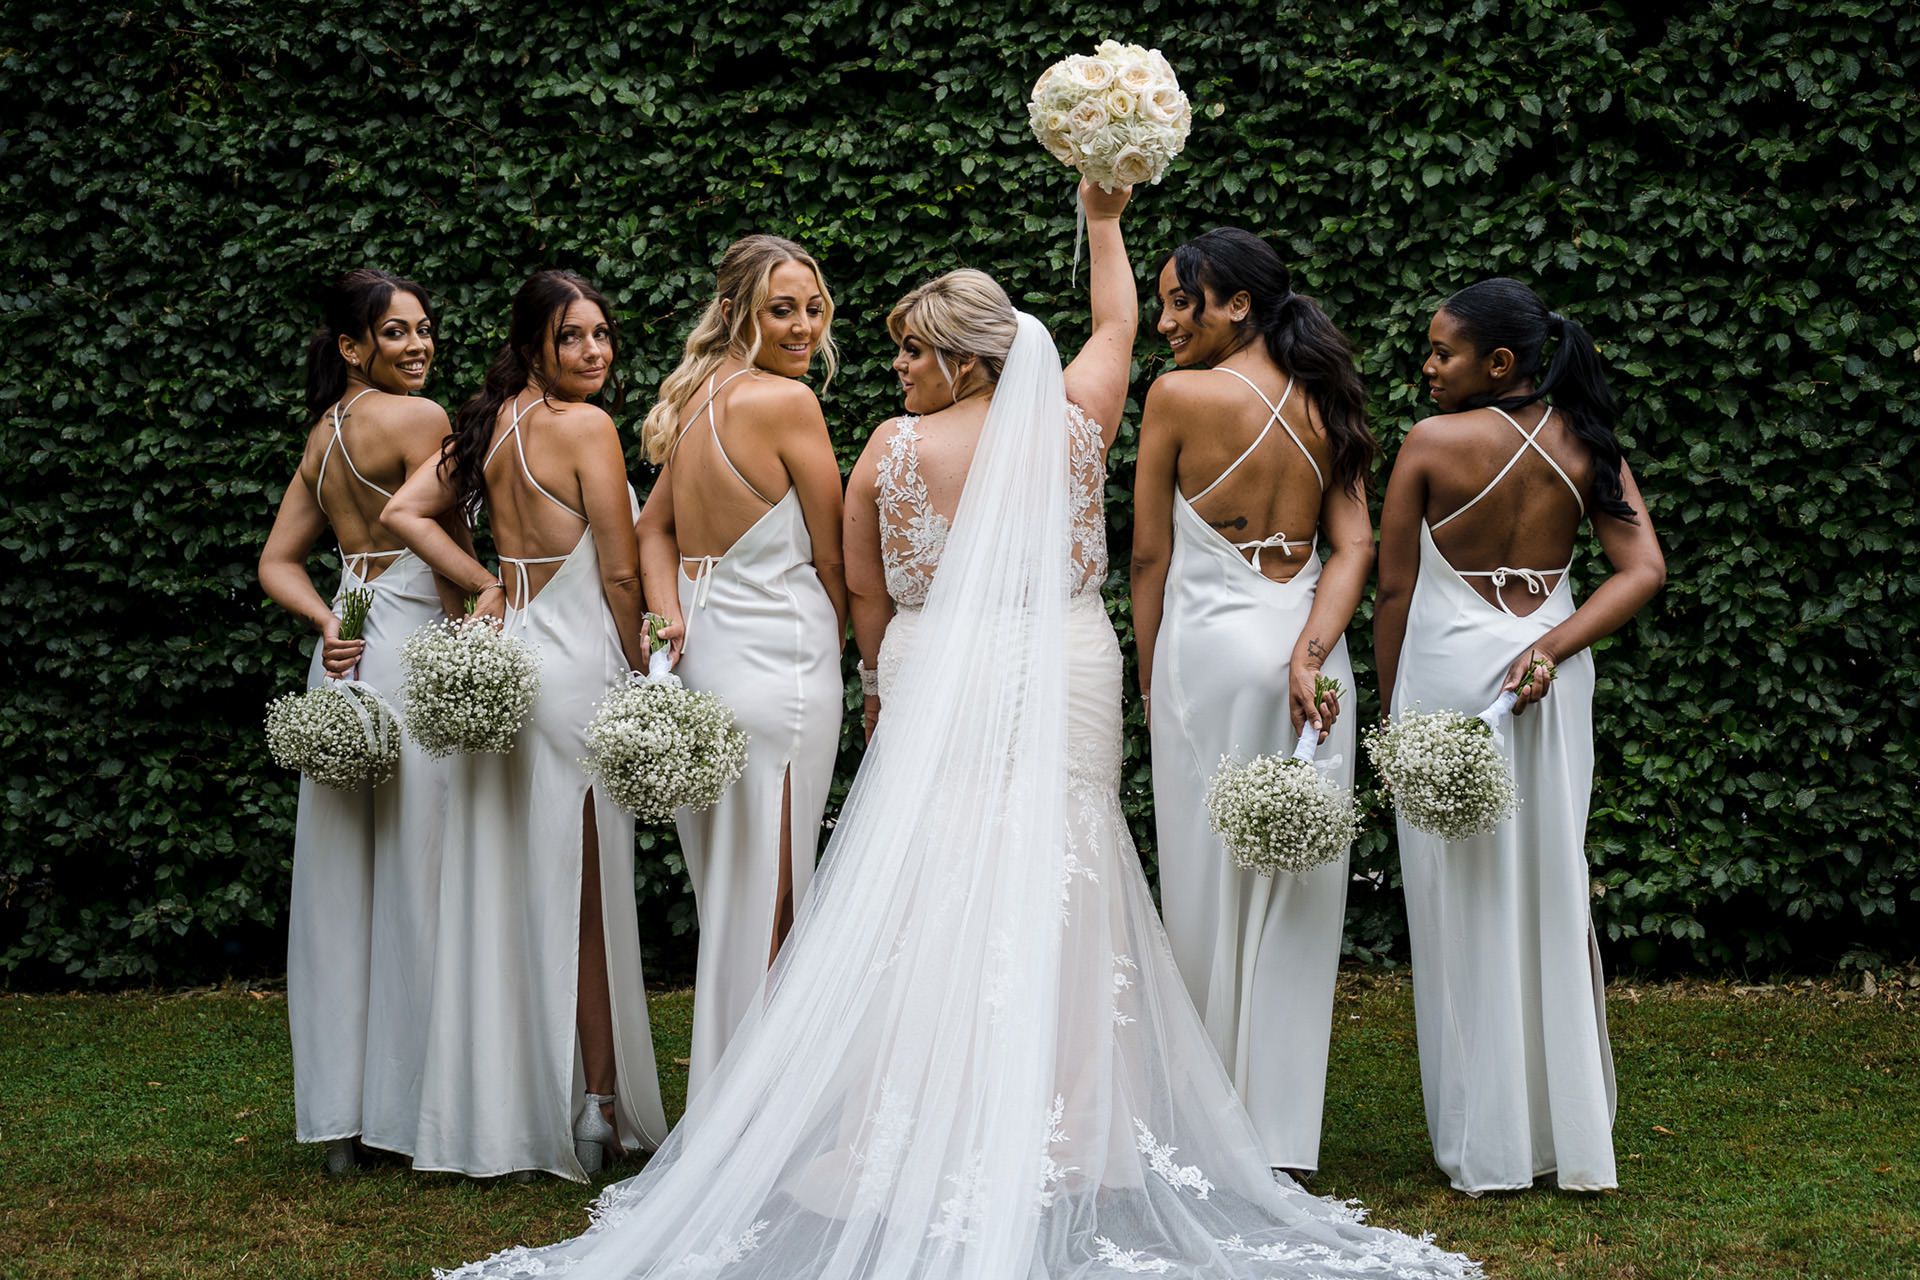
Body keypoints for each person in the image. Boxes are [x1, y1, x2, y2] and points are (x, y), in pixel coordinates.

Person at [438, 187, 1478, 1279]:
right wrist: (1104, 218)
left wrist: (884, 683)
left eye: (913, 352)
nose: (894, 368)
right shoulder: (1076, 423)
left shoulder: (889, 449)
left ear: (969, 361)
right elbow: (1117, 323)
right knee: (1066, 869)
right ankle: (1071, 1122)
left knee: (936, 872)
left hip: (934, 668)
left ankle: (918, 1110)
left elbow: (867, 592)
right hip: (1064, 658)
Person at [1374, 277, 1665, 1194]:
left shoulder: (1430, 444)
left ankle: (1483, 1139)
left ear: (1498, 363)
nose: (1426, 367)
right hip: (1551, 682)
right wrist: (1550, 645)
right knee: (1549, 883)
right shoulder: (1588, 444)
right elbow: (1642, 569)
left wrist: (1392, 714)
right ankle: (1561, 1135)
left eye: (1442, 352)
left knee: (1456, 896)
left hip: (1452, 679)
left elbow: (1393, 592)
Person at [385, 269, 667, 1180]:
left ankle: (499, 1107)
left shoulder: (494, 421)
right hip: (576, 670)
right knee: (584, 896)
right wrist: (647, 672)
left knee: (503, 889)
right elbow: (622, 578)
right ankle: (594, 1107)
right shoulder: (585, 428)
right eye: (572, 337)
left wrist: (485, 584)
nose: (593, 352)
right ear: (534, 343)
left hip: (507, 668)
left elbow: (402, 514)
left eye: (601, 335)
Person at [1130, 228, 1375, 1177]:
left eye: (1178, 302)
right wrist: (1311, 651)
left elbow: (1150, 555)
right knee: (1300, 886)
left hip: (1209, 653)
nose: (1165, 323)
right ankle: (1280, 1132)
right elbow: (1352, 548)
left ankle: (1205, 1117)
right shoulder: (1328, 400)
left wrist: (1149, 678)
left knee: (1204, 878)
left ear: (1234, 304)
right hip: (1307, 660)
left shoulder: (1179, 397)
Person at [635, 235, 847, 1099]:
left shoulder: (693, 397)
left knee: (733, 886)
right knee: (777, 892)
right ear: (736, 313)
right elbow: (835, 557)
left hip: (707, 665)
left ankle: (735, 1097)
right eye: (781, 309)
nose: (803, 326)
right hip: (785, 662)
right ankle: (760, 1113)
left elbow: (653, 533)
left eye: (812, 306)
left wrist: (669, 617)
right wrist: (862, 648)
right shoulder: (787, 404)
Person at [258, 268, 460, 1174]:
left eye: (422, 330)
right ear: (352, 347)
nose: (417, 346)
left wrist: (328, 621)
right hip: (413, 645)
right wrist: (485, 604)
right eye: (395, 334)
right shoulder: (420, 421)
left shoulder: (321, 436)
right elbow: (436, 540)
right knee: (420, 876)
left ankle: (340, 1121)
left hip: (345, 655)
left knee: (339, 887)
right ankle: (413, 1112)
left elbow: (278, 562)